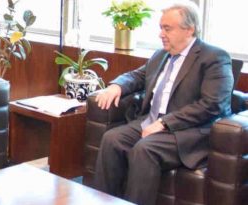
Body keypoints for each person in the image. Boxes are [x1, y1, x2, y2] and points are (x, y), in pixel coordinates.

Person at [93, 2, 234, 205]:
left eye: (167, 28)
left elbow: (214, 104)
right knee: (112, 139)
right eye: (161, 27)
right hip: (151, 121)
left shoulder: (214, 57)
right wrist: (116, 86)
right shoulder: (161, 54)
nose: (161, 34)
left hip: (186, 130)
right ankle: (101, 201)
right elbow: (137, 76)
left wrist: (166, 122)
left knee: (145, 149)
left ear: (189, 29)